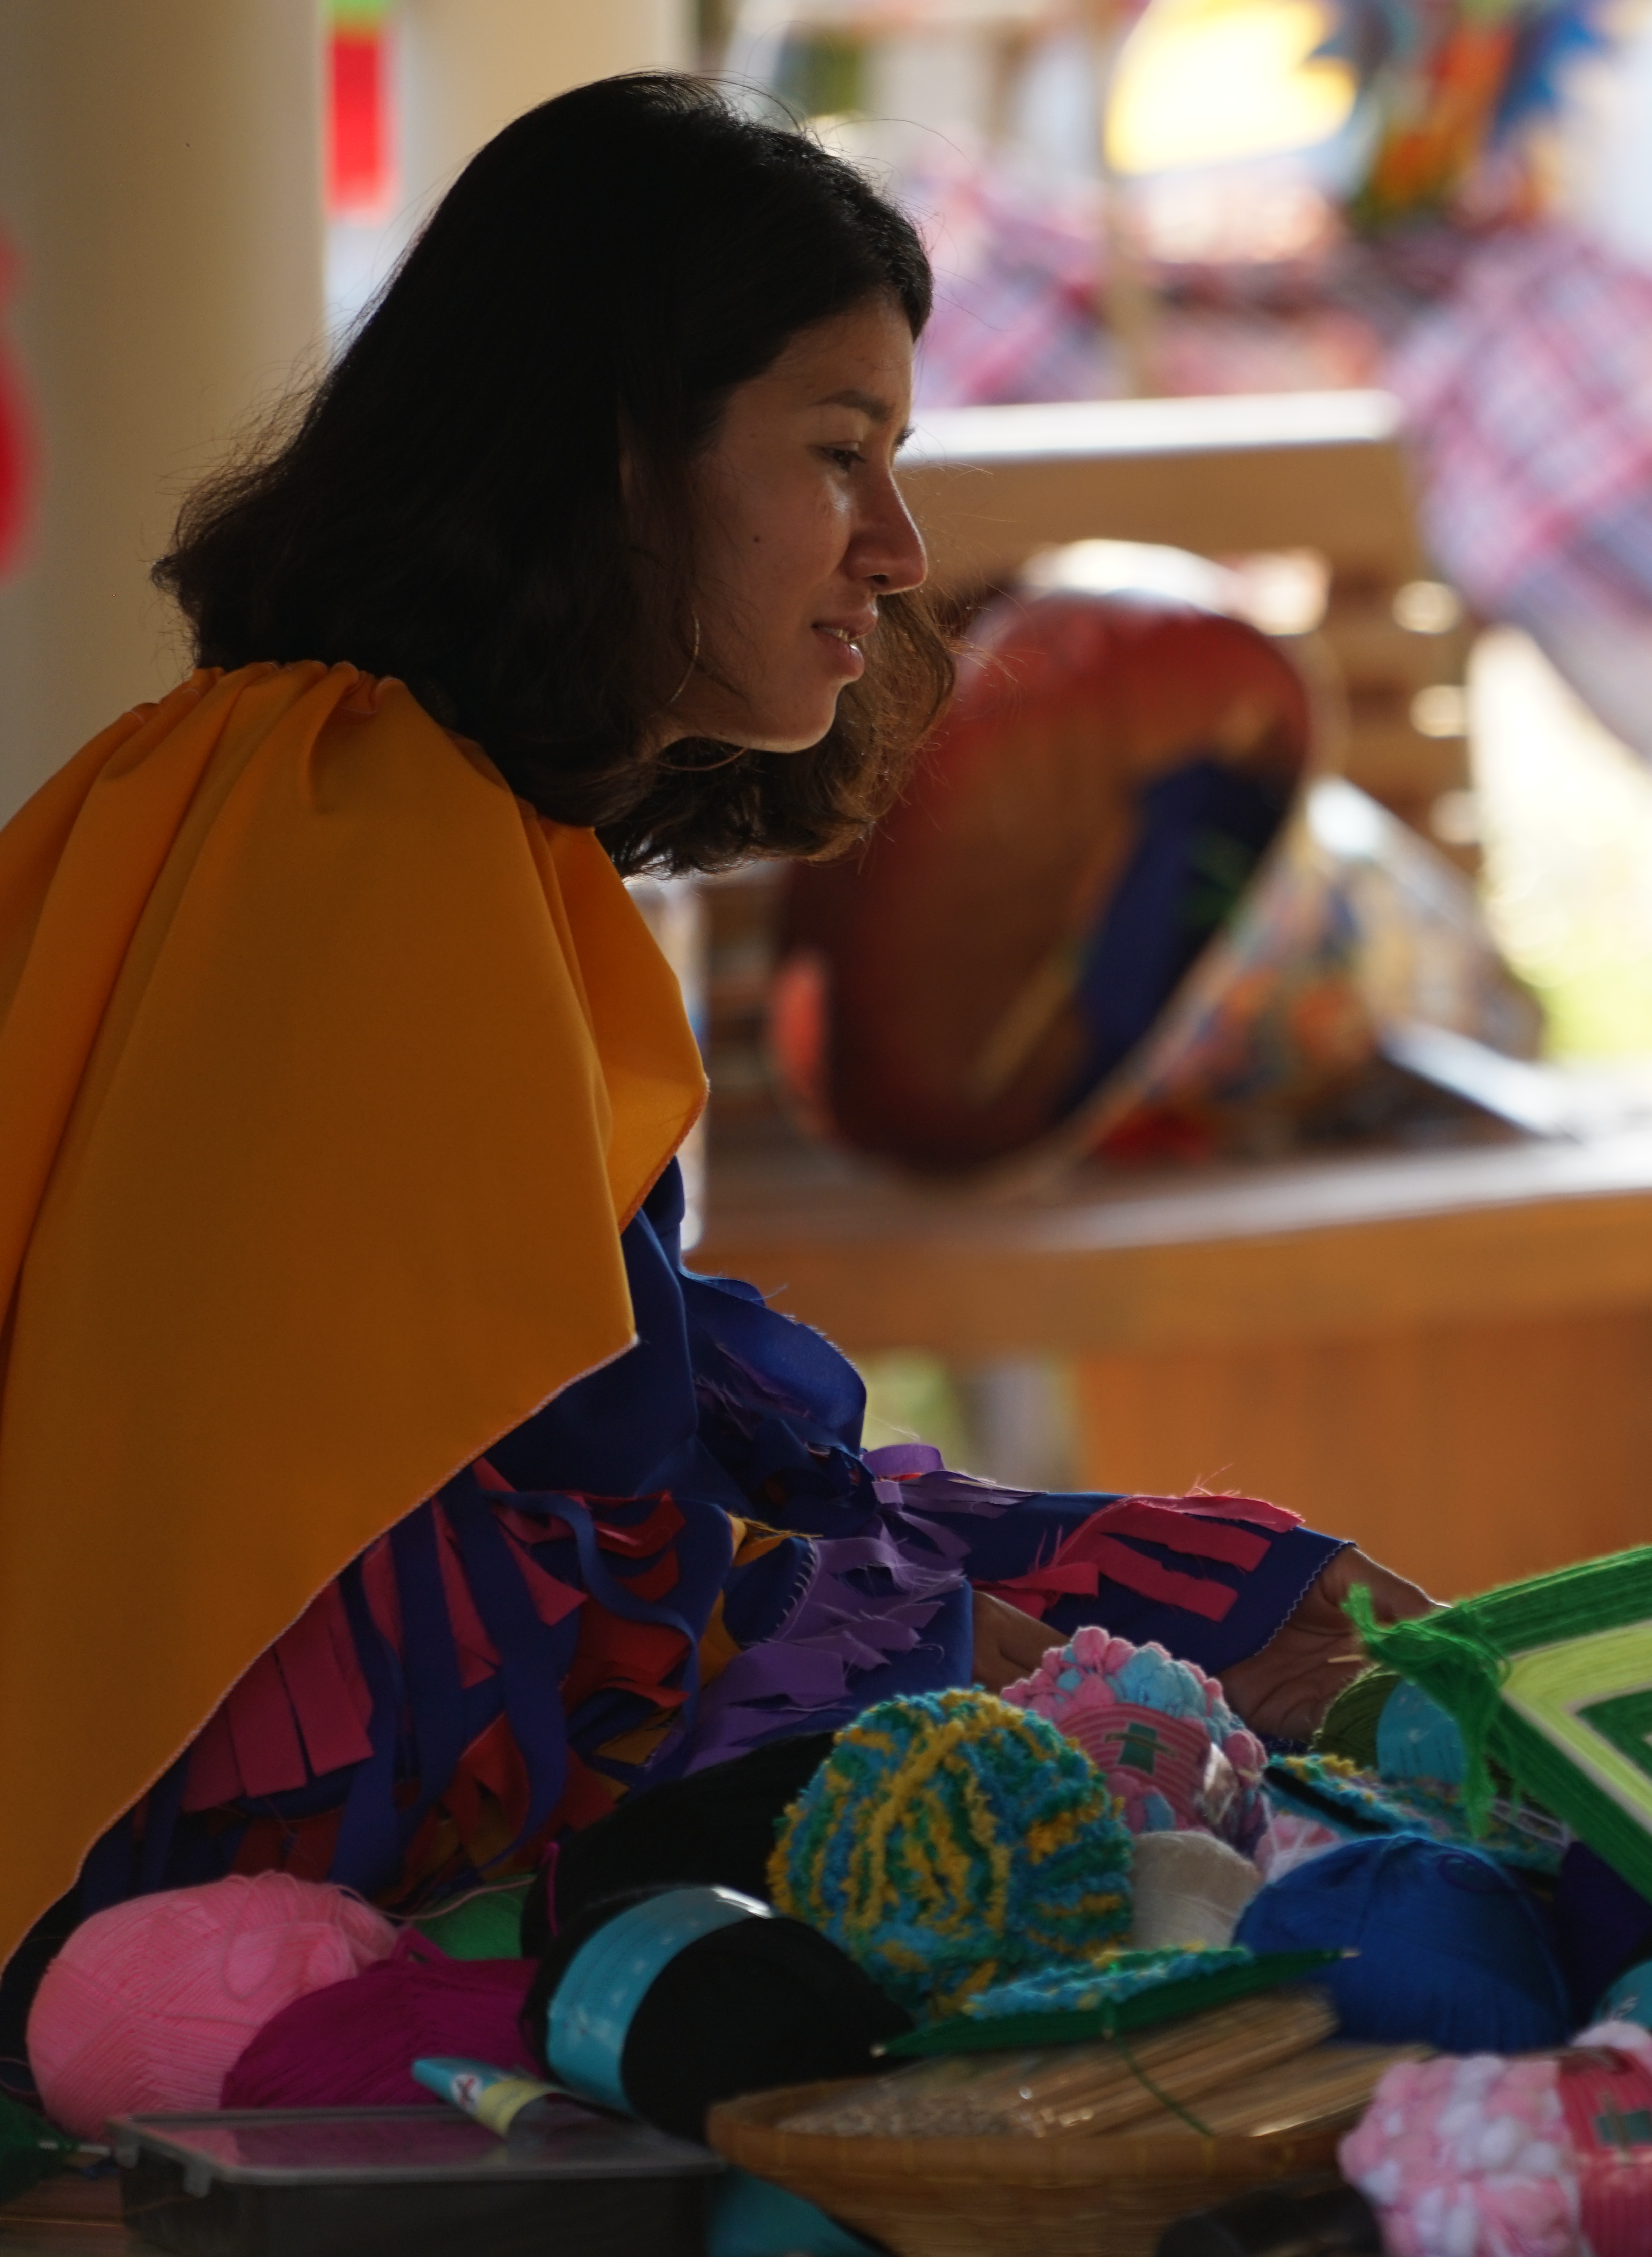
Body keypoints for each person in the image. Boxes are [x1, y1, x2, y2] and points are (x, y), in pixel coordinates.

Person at [0, 76, 1424, 2094]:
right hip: (236, 1785)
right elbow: (368, 1544)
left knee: (1281, 1601)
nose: (898, 548)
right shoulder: (354, 815)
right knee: (1161, 1743)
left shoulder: (391, 792)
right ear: (615, 463)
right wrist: (895, 1620)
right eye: (838, 456)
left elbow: (602, 1437)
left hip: (497, 1643)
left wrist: (950, 1575)